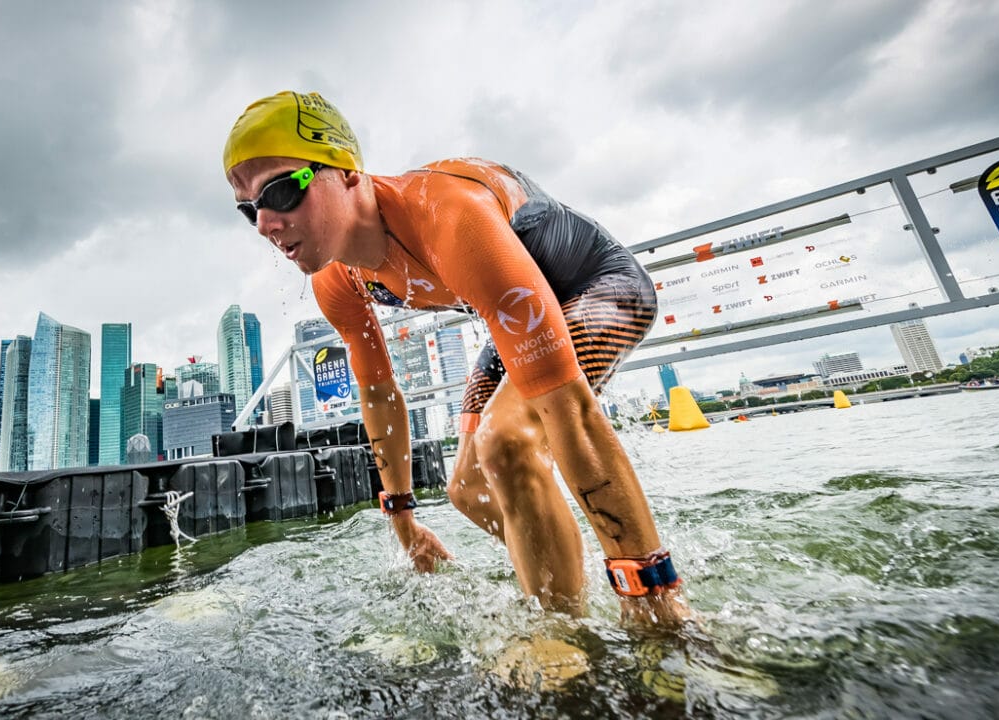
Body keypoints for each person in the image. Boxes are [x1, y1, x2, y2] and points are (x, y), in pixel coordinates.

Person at [223, 91, 689, 626]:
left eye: (280, 191)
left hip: (596, 288)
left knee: (506, 442)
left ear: (348, 172)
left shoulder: (448, 217)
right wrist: (405, 526)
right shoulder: (336, 281)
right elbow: (379, 395)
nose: (264, 223)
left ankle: (611, 621)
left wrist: (651, 596)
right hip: (513, 315)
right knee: (467, 487)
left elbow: (573, 412)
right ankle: (563, 573)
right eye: (249, 208)